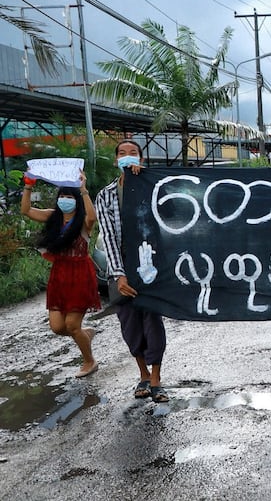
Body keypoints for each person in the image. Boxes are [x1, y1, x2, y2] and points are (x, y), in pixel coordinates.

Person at [95, 140, 169, 402]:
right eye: (123, 154)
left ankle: (156, 378)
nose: (128, 157)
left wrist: (144, 181)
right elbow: (109, 237)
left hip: (150, 263)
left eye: (133, 153)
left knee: (152, 319)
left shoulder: (152, 188)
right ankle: (143, 374)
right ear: (116, 160)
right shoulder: (105, 196)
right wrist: (119, 274)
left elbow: (168, 217)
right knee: (129, 323)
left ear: (141, 159)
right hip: (121, 266)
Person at [21, 171, 101, 378]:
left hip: (80, 275)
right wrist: (28, 185)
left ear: (77, 200)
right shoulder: (53, 217)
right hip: (59, 275)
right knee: (57, 327)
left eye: (70, 197)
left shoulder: (83, 221)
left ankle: (89, 361)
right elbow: (26, 210)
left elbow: (93, 217)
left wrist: (83, 190)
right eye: (62, 196)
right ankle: (84, 334)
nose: (65, 200)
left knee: (72, 325)